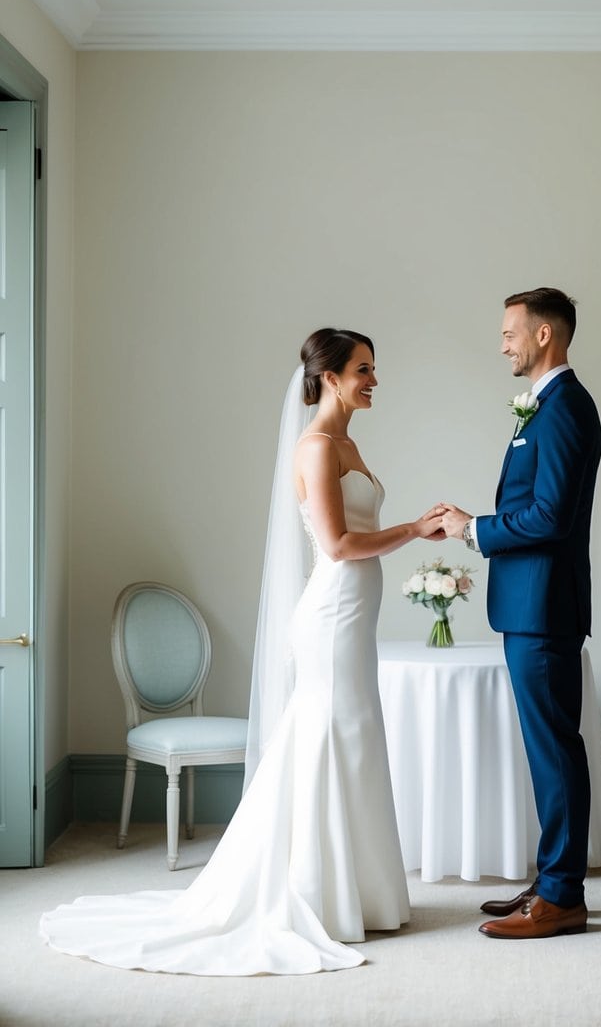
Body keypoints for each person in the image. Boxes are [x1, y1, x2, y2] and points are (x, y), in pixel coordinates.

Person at [39, 327, 446, 974]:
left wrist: (408, 531)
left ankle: (359, 895)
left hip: (354, 614)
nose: (374, 380)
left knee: (355, 736)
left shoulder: (348, 442)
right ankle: (315, 893)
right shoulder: (316, 446)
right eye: (363, 369)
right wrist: (415, 528)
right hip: (332, 612)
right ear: (330, 376)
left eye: (373, 368)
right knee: (328, 735)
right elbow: (338, 545)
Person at [439, 288, 601, 940]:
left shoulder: (565, 408)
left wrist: (472, 528)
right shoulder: (543, 405)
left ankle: (562, 898)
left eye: (511, 332)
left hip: (543, 608)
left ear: (543, 336)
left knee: (555, 750)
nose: (502, 342)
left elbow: (550, 518)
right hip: (528, 605)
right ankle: (552, 879)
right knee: (547, 749)